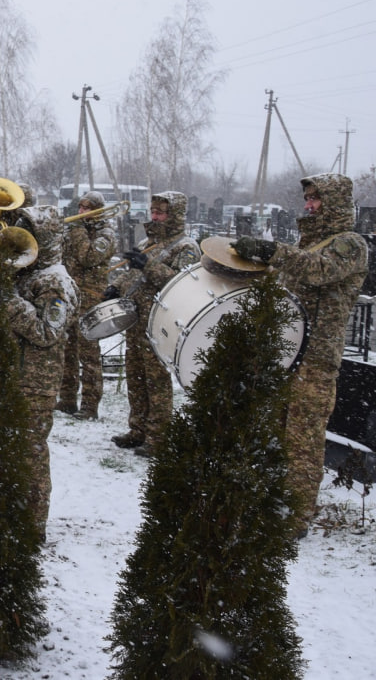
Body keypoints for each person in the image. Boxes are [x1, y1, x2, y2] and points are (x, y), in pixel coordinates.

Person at [233, 173, 368, 535]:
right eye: (307, 198)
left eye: (316, 199)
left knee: (303, 438)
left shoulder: (350, 244)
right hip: (287, 353)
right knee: (275, 432)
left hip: (317, 359)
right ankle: (271, 502)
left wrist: (273, 251)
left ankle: (294, 516)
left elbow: (318, 272)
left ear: (335, 203)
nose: (308, 205)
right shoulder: (308, 244)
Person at [103, 192, 200, 457]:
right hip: (137, 321)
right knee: (136, 377)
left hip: (160, 324)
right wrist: (115, 287)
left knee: (156, 381)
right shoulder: (148, 241)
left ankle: (158, 437)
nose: (155, 217)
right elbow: (133, 275)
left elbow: (181, 284)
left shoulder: (185, 246)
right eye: (153, 211)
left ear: (175, 215)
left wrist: (149, 266)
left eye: (161, 213)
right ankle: (138, 429)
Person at [4, 206, 77, 538]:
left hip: (35, 383)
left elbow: (48, 332)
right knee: (12, 451)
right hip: (16, 376)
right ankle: (10, 513)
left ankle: (32, 526)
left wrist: (9, 302)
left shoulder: (56, 282)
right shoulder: (29, 273)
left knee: (30, 454)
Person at [57, 191, 117, 420]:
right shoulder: (75, 230)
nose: (81, 213)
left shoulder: (106, 233)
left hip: (90, 297)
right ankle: (67, 398)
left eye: (86, 208)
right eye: (80, 208)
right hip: (70, 294)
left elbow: (88, 256)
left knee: (89, 353)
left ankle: (90, 405)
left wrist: (78, 231)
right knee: (67, 349)